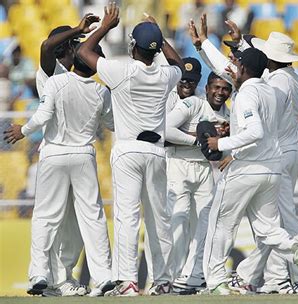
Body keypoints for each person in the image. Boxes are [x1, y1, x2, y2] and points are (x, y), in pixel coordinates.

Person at [190, 16, 298, 294]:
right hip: (274, 157)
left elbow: (254, 121)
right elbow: (236, 73)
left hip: (267, 156)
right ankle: (277, 276)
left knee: (276, 221)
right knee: (269, 227)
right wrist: (207, 45)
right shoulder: (276, 80)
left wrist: (228, 145)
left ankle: (291, 279)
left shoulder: (275, 84)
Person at [77, 4, 184, 296]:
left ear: (133, 46)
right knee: (158, 217)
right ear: (156, 48)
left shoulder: (121, 71)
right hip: (156, 153)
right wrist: (161, 40)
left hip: (127, 151)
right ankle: (163, 281)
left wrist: (105, 27)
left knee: (127, 217)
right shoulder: (165, 76)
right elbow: (181, 66)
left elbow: (83, 54)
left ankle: (127, 281)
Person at [3, 42, 115, 297]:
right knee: (93, 217)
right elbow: (111, 123)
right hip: (84, 155)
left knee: (45, 217)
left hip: (54, 152)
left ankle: (39, 274)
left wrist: (22, 130)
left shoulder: (56, 82)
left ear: (76, 58)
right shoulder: (101, 91)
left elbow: (42, 116)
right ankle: (104, 276)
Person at [25, 14, 101, 296]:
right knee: (49, 220)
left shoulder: (74, 77)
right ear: (65, 48)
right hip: (55, 153)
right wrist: (79, 29)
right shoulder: (49, 71)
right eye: (74, 43)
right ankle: (39, 274)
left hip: (77, 156)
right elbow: (46, 46)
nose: (78, 48)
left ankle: (62, 279)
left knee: (74, 225)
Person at [167, 72, 232, 293]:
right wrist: (197, 140)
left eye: (225, 89)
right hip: (178, 164)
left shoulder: (229, 116)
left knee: (205, 225)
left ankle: (193, 276)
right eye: (215, 87)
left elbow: (225, 150)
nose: (219, 92)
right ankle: (171, 279)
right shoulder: (193, 104)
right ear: (206, 88)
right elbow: (166, 128)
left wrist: (224, 141)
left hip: (204, 170)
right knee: (178, 223)